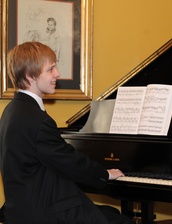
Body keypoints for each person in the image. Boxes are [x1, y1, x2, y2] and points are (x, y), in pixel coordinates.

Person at [0, 42, 135, 224]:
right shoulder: (37, 120)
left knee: (110, 213)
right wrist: (105, 173)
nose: (57, 74)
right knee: (123, 222)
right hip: (44, 212)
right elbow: (70, 162)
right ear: (30, 75)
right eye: (51, 69)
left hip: (23, 207)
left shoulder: (11, 111)